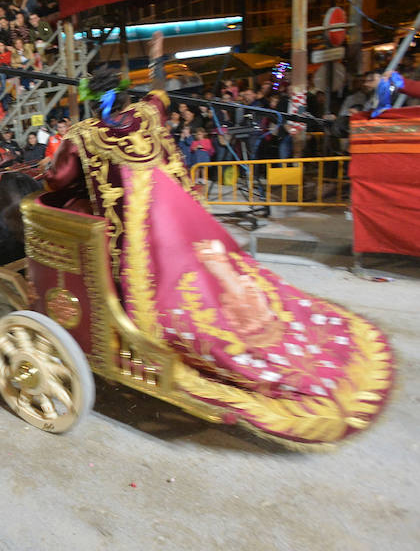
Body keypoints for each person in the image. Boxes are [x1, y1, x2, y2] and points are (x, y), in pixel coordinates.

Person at [43, 55, 394, 444]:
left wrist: (49, 164)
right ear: (127, 94)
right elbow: (161, 96)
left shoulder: (83, 135)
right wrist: (157, 65)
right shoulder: (147, 112)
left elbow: (57, 179)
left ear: (93, 101)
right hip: (184, 230)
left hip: (135, 246)